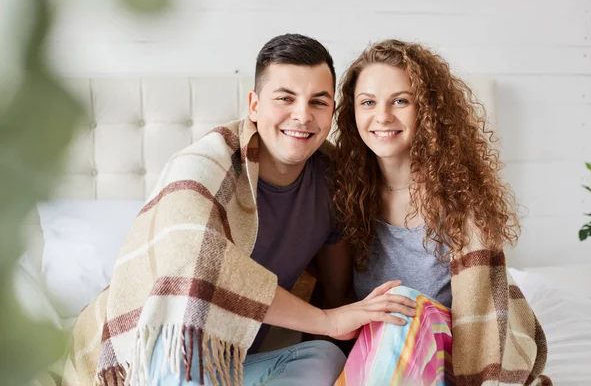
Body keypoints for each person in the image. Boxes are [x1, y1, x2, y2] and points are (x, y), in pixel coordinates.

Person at [61, 34, 416, 386]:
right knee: (185, 352)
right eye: (285, 98)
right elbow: (198, 262)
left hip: (232, 363)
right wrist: (327, 321)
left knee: (324, 358)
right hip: (160, 351)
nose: (302, 115)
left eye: (318, 102)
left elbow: (337, 292)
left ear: (332, 113)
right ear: (255, 105)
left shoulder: (332, 178)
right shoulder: (203, 166)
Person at [332, 39, 551, 385]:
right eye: (368, 102)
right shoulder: (346, 195)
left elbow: (482, 320)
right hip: (373, 358)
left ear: (427, 110)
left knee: (400, 302)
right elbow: (336, 299)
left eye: (400, 101)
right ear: (352, 112)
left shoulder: (462, 200)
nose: (382, 116)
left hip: (451, 359)